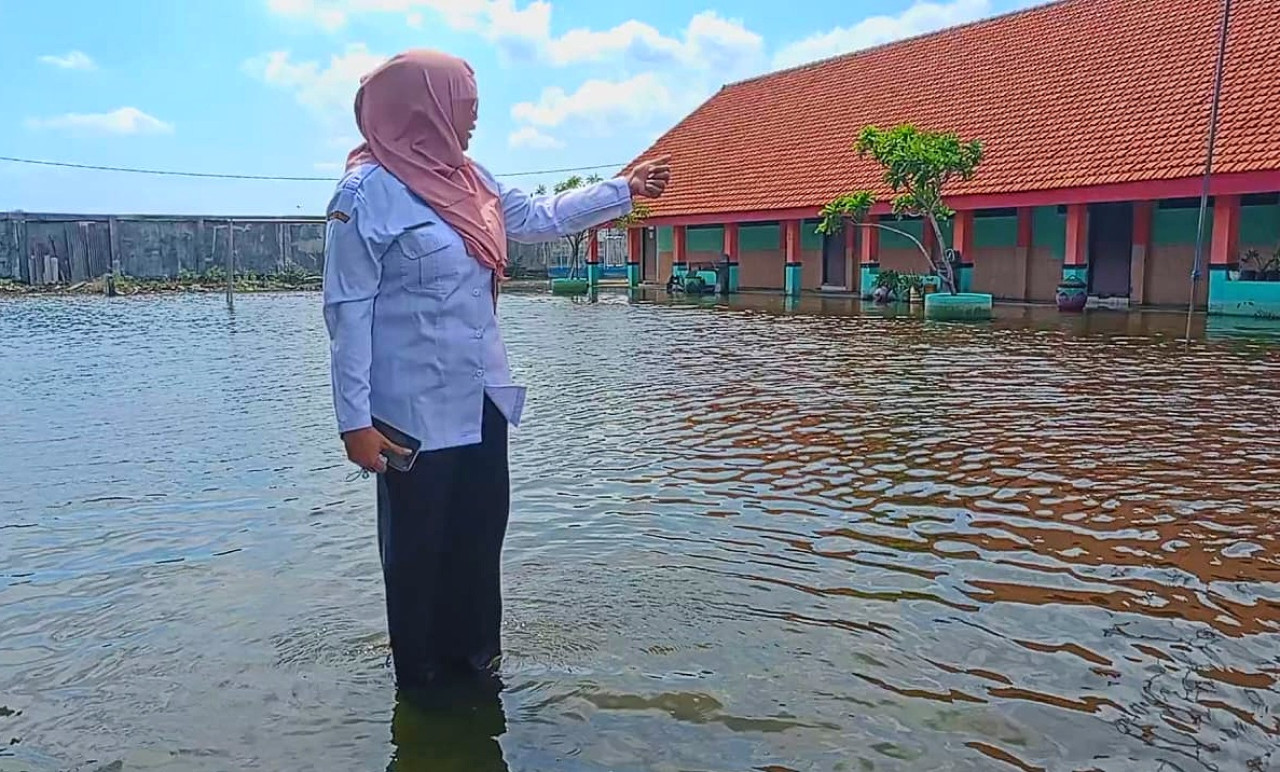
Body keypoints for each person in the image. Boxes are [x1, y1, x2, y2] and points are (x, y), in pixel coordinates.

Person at [321, 49, 670, 695]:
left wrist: (624, 188)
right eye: (466, 109)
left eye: (474, 111)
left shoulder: (468, 179)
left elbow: (536, 217)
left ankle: (477, 673)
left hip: (482, 402)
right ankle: (421, 689)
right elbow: (346, 311)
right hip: (408, 415)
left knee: (478, 547)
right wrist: (353, 424)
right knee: (418, 554)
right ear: (421, 106)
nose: (473, 122)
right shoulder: (366, 194)